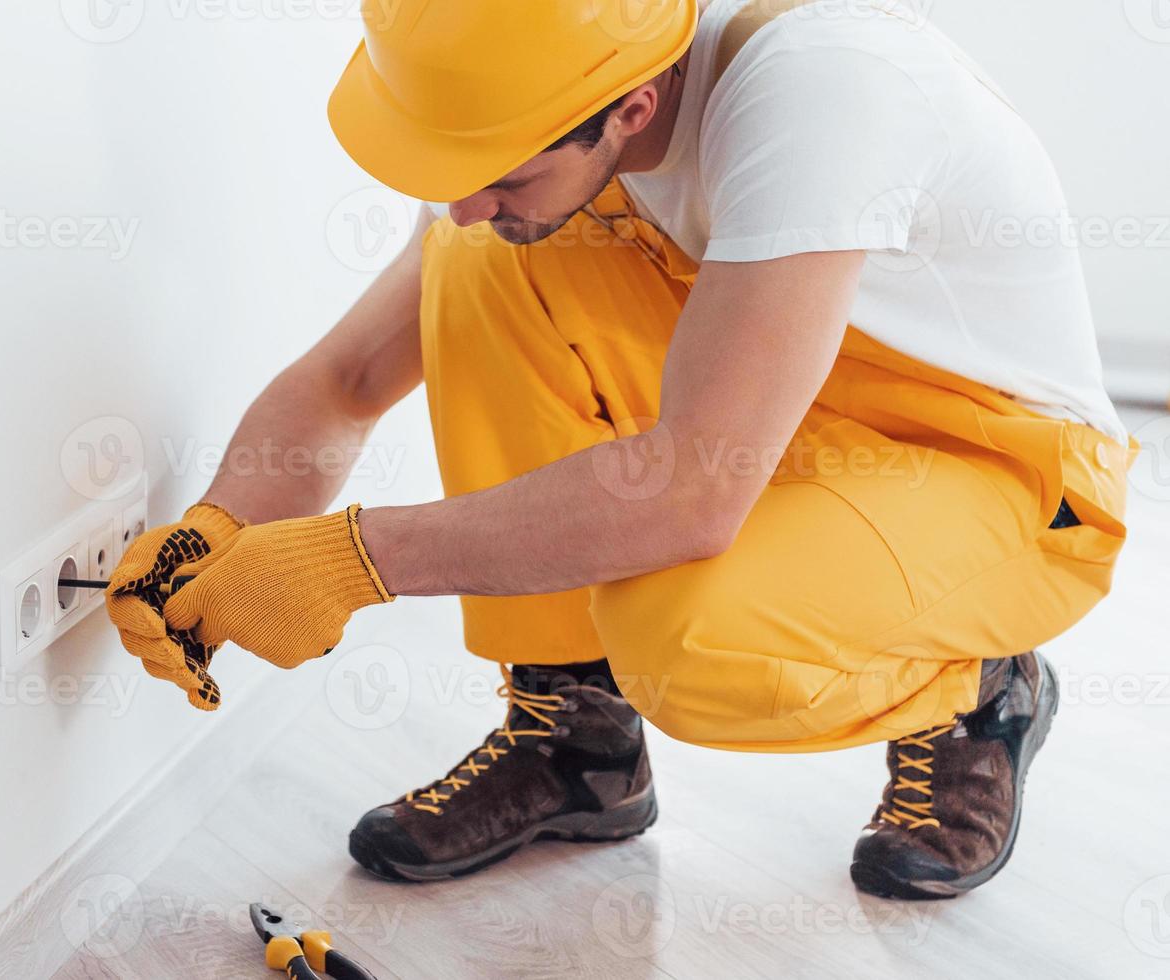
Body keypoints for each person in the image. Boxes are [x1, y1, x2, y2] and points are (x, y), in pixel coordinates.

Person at [108, 0, 1134, 900]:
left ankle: (983, 683)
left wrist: (352, 560)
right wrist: (219, 533)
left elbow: (691, 489)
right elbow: (345, 378)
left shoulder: (822, 88)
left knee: (686, 643)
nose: (464, 200)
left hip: (998, 470)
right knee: (475, 264)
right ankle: (573, 741)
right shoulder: (546, 102)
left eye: (501, 173)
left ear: (634, 108)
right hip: (764, 412)